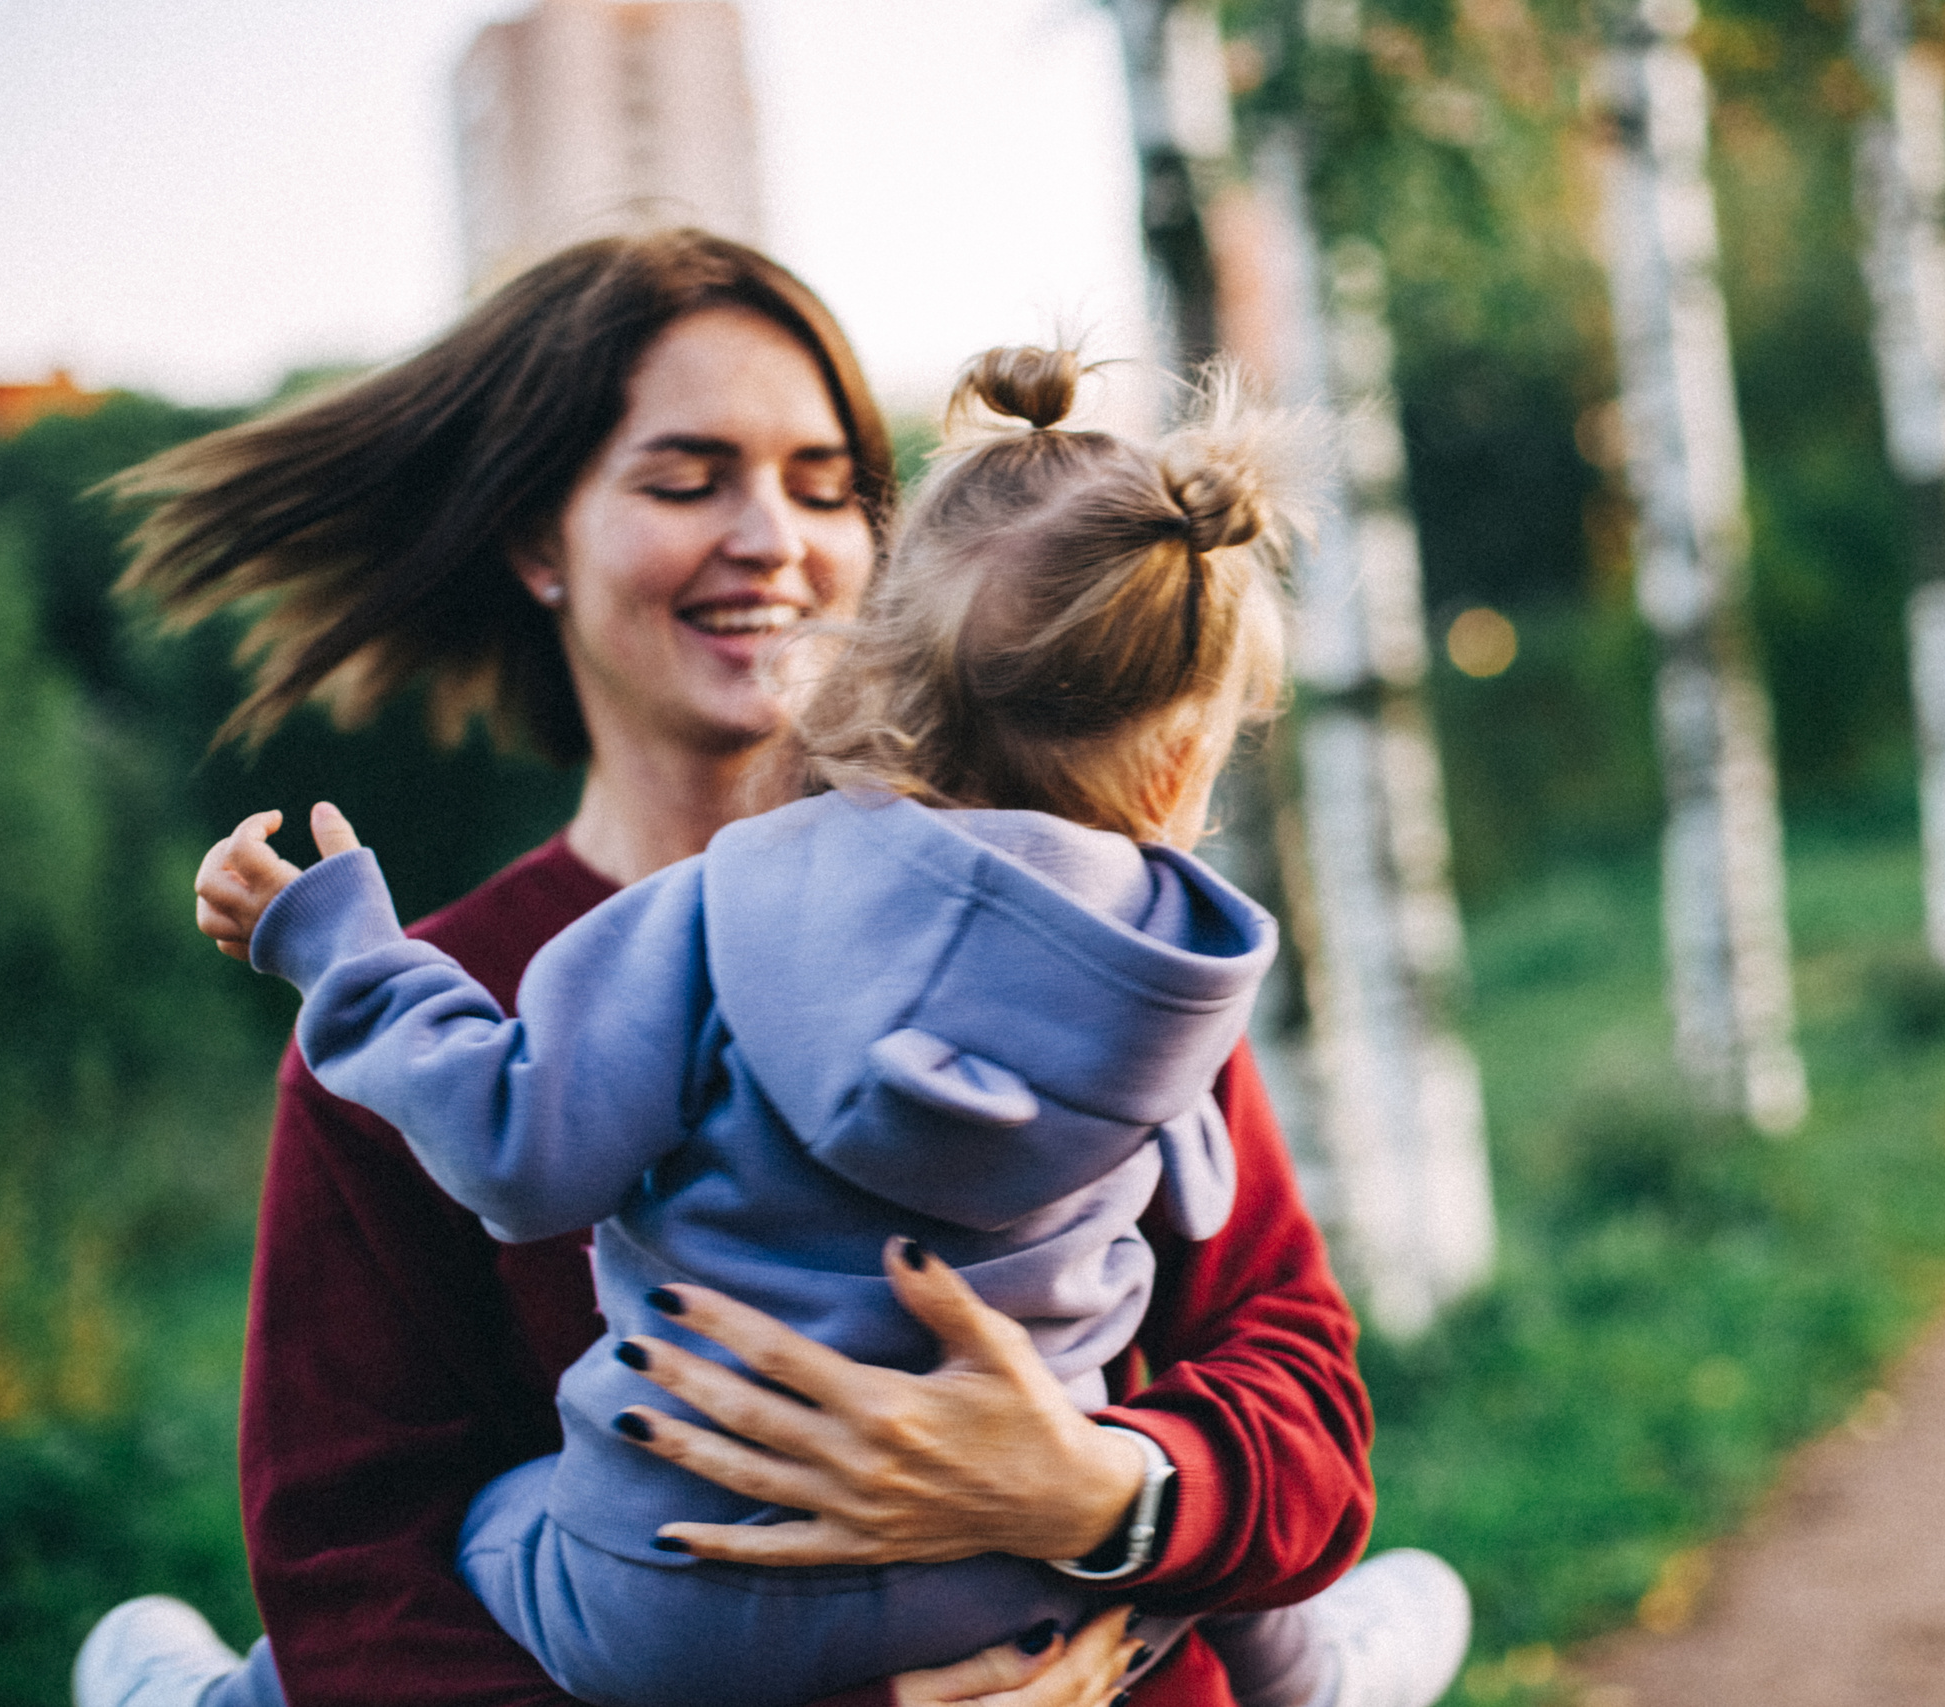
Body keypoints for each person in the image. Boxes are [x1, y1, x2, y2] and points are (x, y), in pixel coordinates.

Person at [76, 232, 1466, 1707]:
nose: (775, 540)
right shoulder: (1114, 967)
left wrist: (1103, 1496)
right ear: (537, 541)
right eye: (687, 482)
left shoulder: (1090, 961)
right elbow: (359, 1592)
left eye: (826, 487)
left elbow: (1305, 1412)